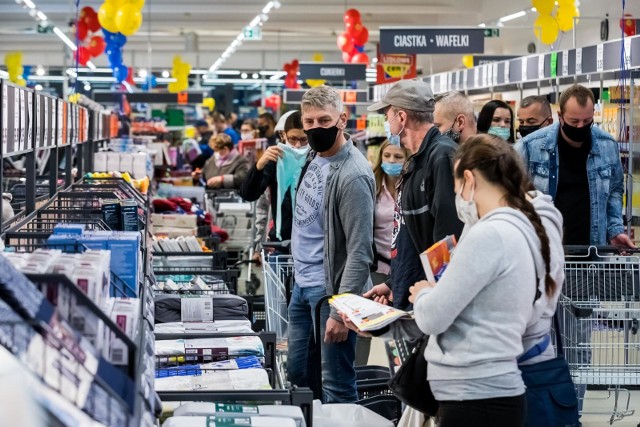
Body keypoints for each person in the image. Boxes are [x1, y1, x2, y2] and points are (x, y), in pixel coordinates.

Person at [343, 134, 565, 427]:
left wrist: (423, 293)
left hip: (473, 393)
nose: (457, 194)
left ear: (469, 179)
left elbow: (435, 317)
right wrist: (384, 325)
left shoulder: (489, 235)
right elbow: (472, 311)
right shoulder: (520, 229)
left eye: (456, 184)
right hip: (494, 389)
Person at [516, 84, 635, 412]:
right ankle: (538, 414)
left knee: (578, 345)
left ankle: (572, 413)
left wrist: (614, 231)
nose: (580, 128)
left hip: (585, 260)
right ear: (559, 115)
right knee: (537, 342)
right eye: (573, 122)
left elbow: (613, 192)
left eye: (586, 122)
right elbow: (512, 196)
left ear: (593, 115)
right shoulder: (531, 146)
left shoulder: (607, 146)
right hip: (540, 263)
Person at [288, 85, 375, 403]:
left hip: (331, 293)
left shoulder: (353, 175)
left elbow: (360, 250)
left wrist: (340, 312)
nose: (315, 128)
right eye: (308, 122)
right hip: (302, 285)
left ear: (343, 118)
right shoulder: (313, 156)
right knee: (299, 376)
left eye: (324, 120)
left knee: (336, 383)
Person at [364, 78, 463, 310]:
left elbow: (448, 240)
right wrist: (393, 283)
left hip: (430, 302)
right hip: (410, 292)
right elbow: (409, 234)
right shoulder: (416, 161)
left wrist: (436, 300)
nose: (387, 124)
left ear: (401, 117)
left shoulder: (441, 158)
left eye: (388, 116)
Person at [240, 111, 309, 245]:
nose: (298, 145)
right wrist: (259, 166)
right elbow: (248, 194)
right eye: (293, 139)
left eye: (303, 139)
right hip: (281, 242)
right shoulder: (275, 159)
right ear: (283, 135)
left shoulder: (317, 159)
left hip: (312, 242)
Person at [371, 140, 411, 286]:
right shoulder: (373, 186)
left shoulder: (412, 186)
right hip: (378, 266)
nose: (391, 161)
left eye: (398, 157)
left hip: (406, 266)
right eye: (387, 155)